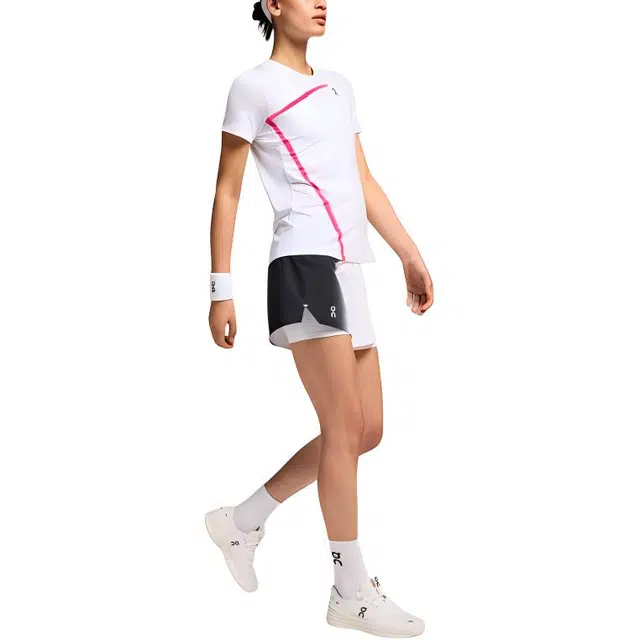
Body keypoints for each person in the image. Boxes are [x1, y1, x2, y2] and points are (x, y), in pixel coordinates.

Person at [205, 1, 434, 636]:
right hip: (302, 262)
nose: (322, 2)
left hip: (348, 267)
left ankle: (242, 521)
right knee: (340, 429)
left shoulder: (339, 87)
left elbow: (363, 180)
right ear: (273, 6)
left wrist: (409, 255)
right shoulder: (253, 86)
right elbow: (227, 189)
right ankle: (350, 589)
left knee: (365, 431)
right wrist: (222, 288)